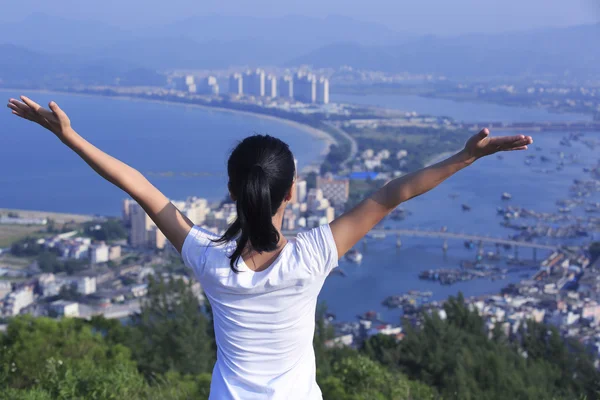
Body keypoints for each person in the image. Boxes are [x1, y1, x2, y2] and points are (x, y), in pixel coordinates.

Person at [7, 96, 533, 399]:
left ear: (233, 192)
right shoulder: (312, 257)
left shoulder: (210, 261)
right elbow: (394, 193)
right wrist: (466, 156)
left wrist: (69, 138)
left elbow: (137, 185)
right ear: (292, 191)